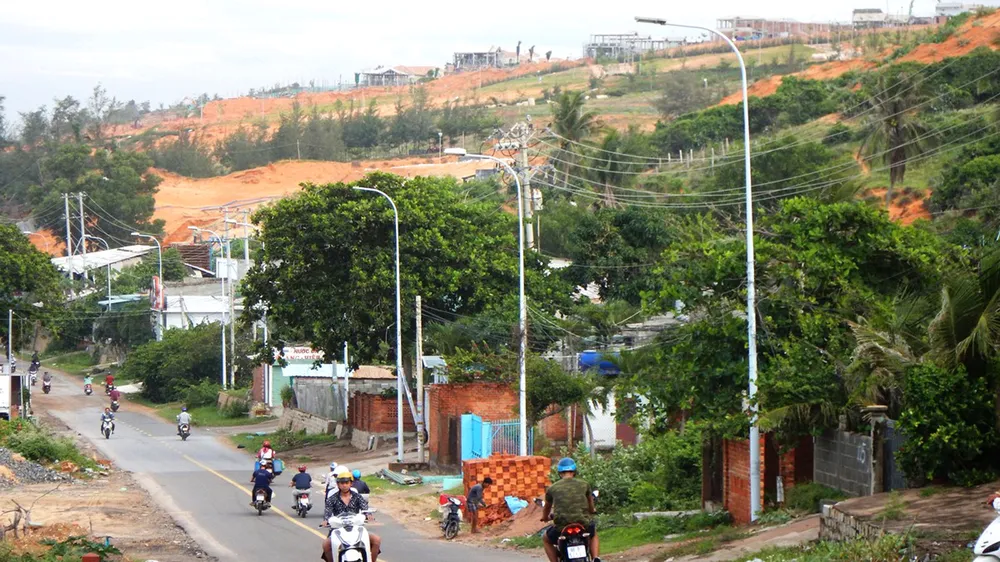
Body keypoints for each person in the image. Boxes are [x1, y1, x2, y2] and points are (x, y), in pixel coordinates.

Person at [541, 457, 599, 562]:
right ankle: (595, 558)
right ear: (574, 471)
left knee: (546, 539)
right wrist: (592, 511)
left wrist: (545, 517)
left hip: (562, 526)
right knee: (593, 533)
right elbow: (590, 502)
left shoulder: (552, 488)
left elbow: (547, 507)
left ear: (559, 473)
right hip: (583, 523)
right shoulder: (584, 484)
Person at [322, 467, 381, 562]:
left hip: (356, 528)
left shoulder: (357, 496)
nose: (344, 485)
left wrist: (368, 515)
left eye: (347, 482)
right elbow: (327, 511)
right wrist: (326, 520)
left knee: (376, 540)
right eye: (342, 483)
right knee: (326, 545)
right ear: (338, 484)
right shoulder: (332, 499)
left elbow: (365, 507)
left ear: (351, 483)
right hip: (338, 529)